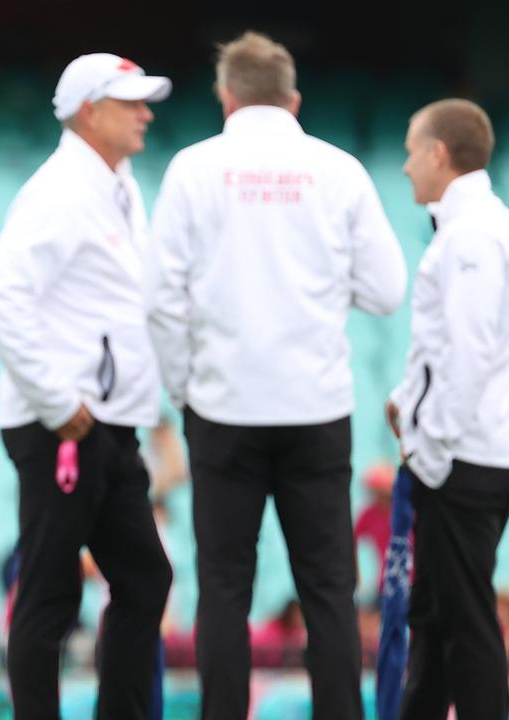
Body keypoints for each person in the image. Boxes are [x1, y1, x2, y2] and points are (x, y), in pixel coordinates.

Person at [145, 31, 406, 720]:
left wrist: (181, 389)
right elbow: (386, 289)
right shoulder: (338, 170)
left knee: (224, 585)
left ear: (225, 97)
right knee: (328, 587)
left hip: (222, 405)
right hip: (315, 405)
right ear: (293, 99)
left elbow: (161, 299)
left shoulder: (193, 170)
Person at [0, 52, 174, 720]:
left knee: (145, 577)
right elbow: (0, 297)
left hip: (105, 424)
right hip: (65, 425)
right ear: (91, 111)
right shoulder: (62, 190)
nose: (147, 113)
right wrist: (58, 401)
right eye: (132, 102)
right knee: (50, 594)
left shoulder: (118, 185)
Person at [386, 98, 509, 720]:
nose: (404, 166)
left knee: (465, 621)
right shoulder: (477, 226)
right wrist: (405, 403)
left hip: (463, 458)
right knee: (438, 616)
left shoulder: (473, 234)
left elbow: (468, 354)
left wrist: (430, 447)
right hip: (471, 453)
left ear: (439, 154)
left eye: (412, 151)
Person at [353, 461, 397, 595]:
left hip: (412, 579)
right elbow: (350, 539)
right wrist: (356, 574)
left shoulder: (405, 512)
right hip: (386, 582)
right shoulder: (369, 514)